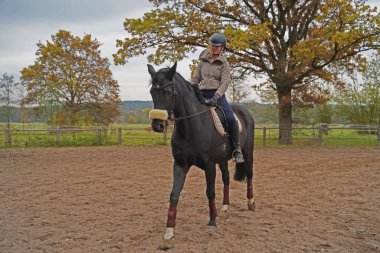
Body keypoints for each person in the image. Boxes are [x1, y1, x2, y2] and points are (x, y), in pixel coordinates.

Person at [190, 33, 244, 163]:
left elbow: (225, 82)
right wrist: (191, 89)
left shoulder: (224, 64)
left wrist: (216, 96)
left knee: (231, 119)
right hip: (201, 94)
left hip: (217, 95)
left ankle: (237, 150)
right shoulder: (202, 60)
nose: (214, 48)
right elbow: (196, 78)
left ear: (222, 48)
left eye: (217, 46)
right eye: (212, 45)